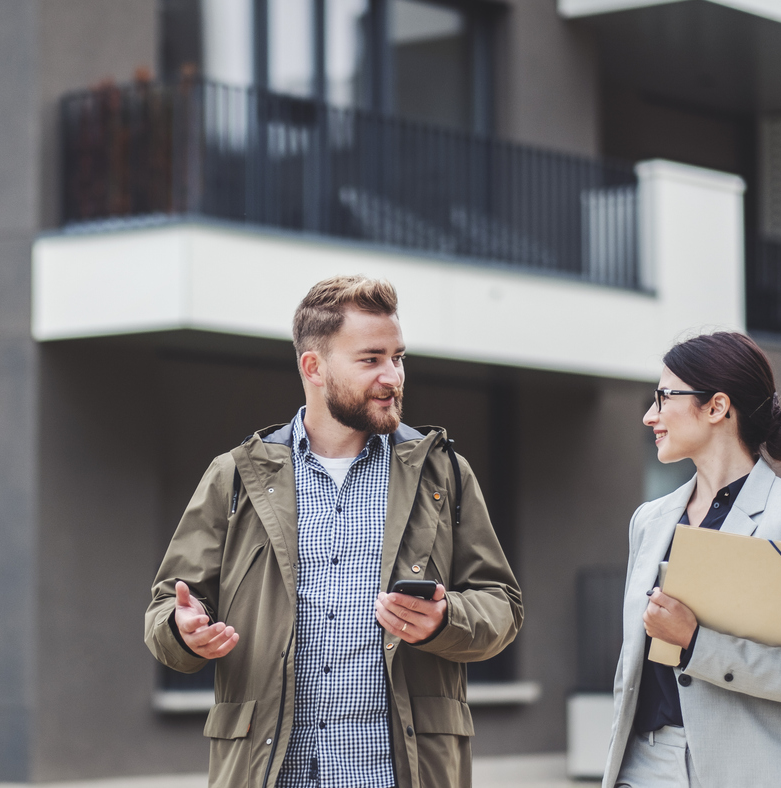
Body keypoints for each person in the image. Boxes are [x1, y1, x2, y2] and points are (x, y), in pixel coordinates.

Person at [145, 275, 523, 788]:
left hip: (402, 774)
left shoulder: (445, 473)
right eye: (371, 359)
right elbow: (168, 607)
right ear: (313, 367)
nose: (393, 376)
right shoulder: (235, 474)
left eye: (399, 357)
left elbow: (501, 604)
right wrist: (183, 631)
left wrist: (444, 619)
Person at [604, 332, 781, 788]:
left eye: (663, 397)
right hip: (645, 768)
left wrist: (696, 643)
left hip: (755, 770)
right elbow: (632, 670)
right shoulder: (649, 520)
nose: (649, 416)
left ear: (717, 407)